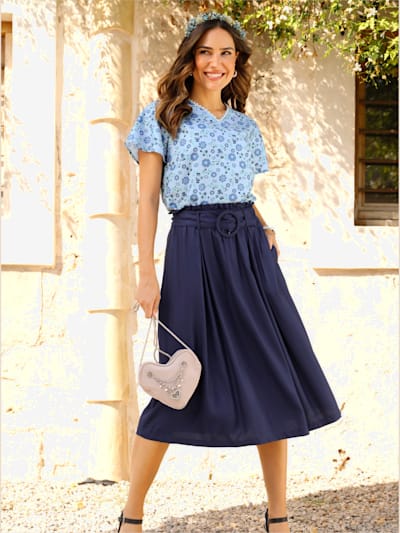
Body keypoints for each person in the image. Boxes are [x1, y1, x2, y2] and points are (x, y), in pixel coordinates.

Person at [120, 11, 341, 533]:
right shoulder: (161, 118)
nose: (215, 62)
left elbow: (240, 190)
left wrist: (263, 226)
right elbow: (147, 200)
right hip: (191, 249)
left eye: (226, 53)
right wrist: (146, 272)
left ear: (236, 62)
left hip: (247, 251)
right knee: (178, 377)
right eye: (205, 52)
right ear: (190, 58)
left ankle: (278, 517)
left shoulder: (245, 127)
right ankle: (131, 517)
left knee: (273, 374)